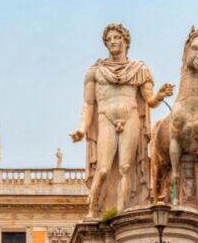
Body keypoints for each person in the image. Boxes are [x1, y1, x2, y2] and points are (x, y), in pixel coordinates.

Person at [70, 23, 173, 218]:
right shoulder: (95, 71)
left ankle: (121, 214)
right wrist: (82, 129)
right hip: (105, 119)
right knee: (103, 169)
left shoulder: (139, 69)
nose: (112, 42)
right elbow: (88, 104)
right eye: (108, 40)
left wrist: (160, 95)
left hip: (131, 117)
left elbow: (150, 101)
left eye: (116, 38)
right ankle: (93, 211)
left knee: (127, 168)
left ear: (125, 41)